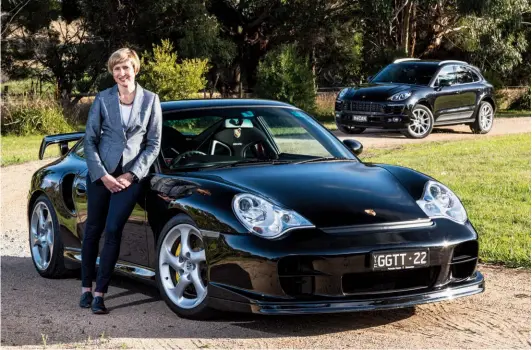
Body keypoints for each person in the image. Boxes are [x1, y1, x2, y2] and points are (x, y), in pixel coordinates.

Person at [80, 48, 162, 314]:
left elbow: (153, 144)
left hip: (131, 177)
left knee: (113, 229)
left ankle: (100, 294)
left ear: (135, 69)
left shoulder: (151, 100)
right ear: (112, 72)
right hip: (101, 174)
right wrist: (103, 175)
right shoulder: (103, 99)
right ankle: (86, 288)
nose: (121, 73)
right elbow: (89, 140)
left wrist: (130, 174)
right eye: (116, 69)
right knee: (93, 229)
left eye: (125, 67)